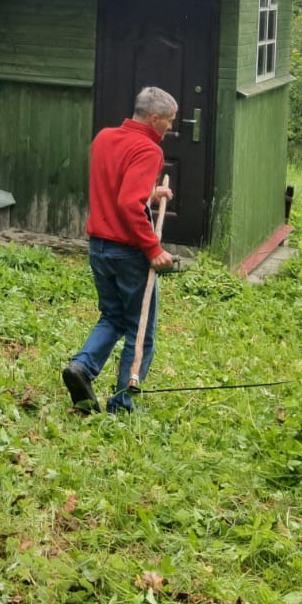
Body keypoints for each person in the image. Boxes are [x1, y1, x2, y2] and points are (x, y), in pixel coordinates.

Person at [62, 86, 178, 415]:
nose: (170, 126)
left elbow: (117, 186)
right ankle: (122, 403)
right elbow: (128, 204)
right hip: (128, 252)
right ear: (154, 118)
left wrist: (150, 194)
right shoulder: (148, 150)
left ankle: (81, 368)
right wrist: (152, 249)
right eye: (169, 120)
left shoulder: (105, 138)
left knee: (112, 316)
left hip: (99, 246)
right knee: (140, 330)